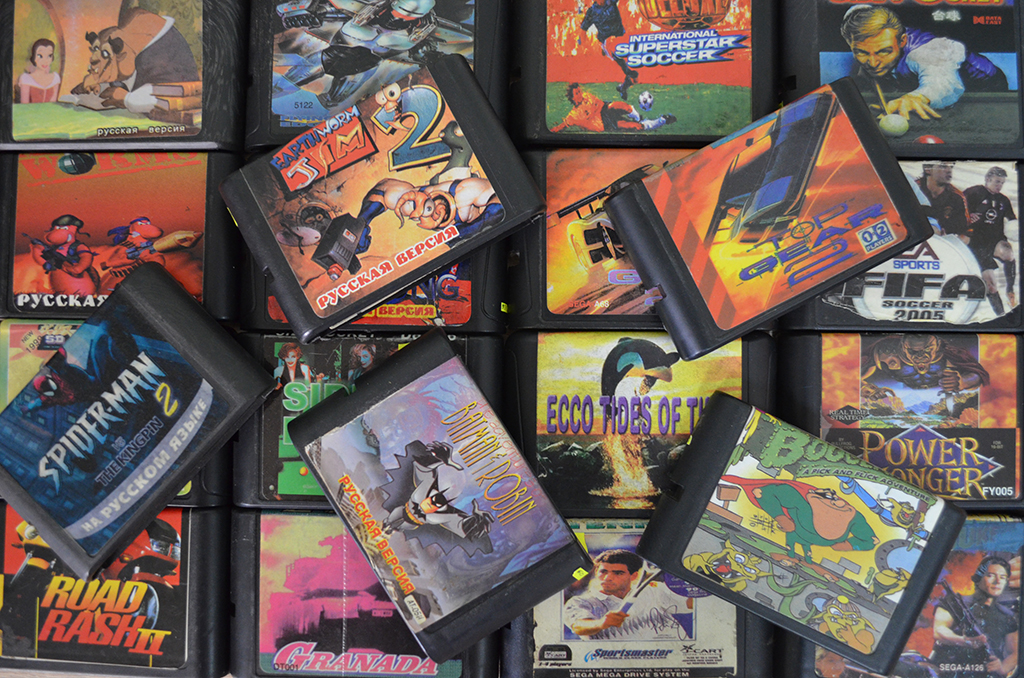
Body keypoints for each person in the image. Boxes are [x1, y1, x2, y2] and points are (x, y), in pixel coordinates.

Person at [840, 5, 1007, 120]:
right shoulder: (860, 30)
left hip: (985, 88)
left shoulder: (927, 52)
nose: (872, 62)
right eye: (861, 52)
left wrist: (917, 97)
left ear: (903, 41)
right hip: (914, 80)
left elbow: (944, 85)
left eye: (883, 51)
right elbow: (857, 10)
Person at [564, 549, 693, 641]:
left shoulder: (653, 590)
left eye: (618, 573)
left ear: (634, 576)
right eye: (603, 571)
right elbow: (578, 626)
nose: (608, 578)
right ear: (596, 572)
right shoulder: (580, 601)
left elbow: (691, 603)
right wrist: (600, 623)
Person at [931, 556, 1018, 678]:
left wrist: (1003, 667)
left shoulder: (1006, 615)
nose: (997, 581)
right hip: (947, 671)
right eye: (991, 575)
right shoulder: (955, 602)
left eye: (1003, 577)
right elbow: (939, 631)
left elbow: (1015, 652)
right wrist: (964, 641)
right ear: (979, 577)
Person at [963, 167, 1018, 314]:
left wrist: (1015, 228)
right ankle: (1001, 315)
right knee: (990, 285)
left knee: (1008, 253)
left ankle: (1010, 290)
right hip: (977, 243)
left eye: (1002, 183)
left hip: (995, 240)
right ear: (988, 179)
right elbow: (957, 210)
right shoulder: (974, 192)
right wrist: (968, 217)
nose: (999, 185)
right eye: (997, 182)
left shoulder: (1003, 200)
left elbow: (1013, 221)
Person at [551, 83, 675, 133]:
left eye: (580, 91)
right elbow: (560, 127)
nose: (581, 94)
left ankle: (638, 117)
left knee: (621, 106)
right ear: (572, 98)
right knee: (636, 127)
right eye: (577, 93)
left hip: (605, 109)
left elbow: (601, 104)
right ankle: (662, 120)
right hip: (605, 123)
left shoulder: (587, 96)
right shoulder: (573, 116)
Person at [580, 0, 637, 98]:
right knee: (625, 64)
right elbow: (583, 29)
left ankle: (623, 87)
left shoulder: (610, 1)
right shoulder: (592, 12)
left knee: (634, 75)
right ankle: (628, 76)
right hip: (608, 43)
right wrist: (583, 46)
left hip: (621, 38)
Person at [917, 162, 970, 239]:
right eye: (943, 166)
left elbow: (964, 231)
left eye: (951, 167)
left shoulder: (957, 197)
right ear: (927, 169)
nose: (949, 170)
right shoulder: (913, 189)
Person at [18, 38, 60, 103]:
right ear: (34, 57)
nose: (45, 61)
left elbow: (53, 104)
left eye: (49, 56)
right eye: (40, 56)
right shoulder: (26, 78)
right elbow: (24, 105)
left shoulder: (55, 78)